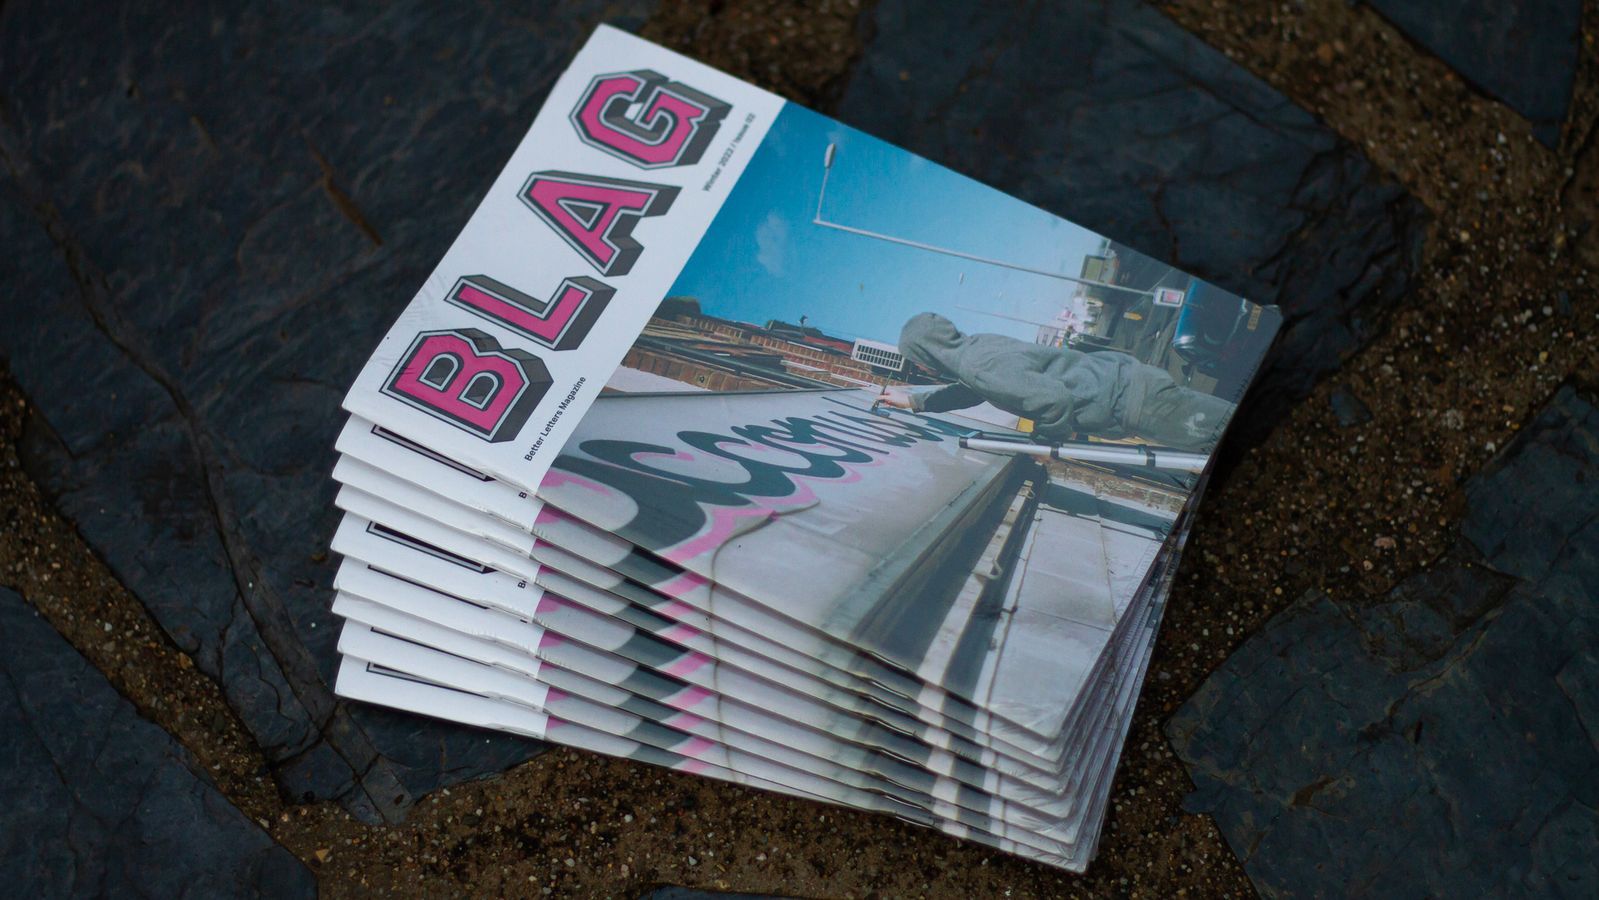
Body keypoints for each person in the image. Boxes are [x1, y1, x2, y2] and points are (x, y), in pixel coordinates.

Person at [874, 312, 1235, 451]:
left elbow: (1055, 401)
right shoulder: (979, 348)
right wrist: (916, 401)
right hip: (1129, 385)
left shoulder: (979, 367)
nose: (921, 369)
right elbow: (971, 393)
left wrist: (1045, 440)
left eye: (918, 361)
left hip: (1133, 401)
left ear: (927, 354)